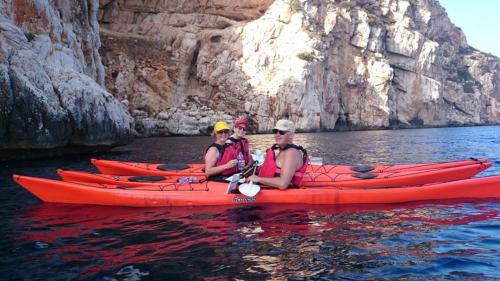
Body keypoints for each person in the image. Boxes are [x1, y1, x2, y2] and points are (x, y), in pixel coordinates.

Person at [246, 119, 309, 189]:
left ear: (291, 135)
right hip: (265, 187)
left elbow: (283, 184)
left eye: (282, 132)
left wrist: (258, 179)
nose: (277, 135)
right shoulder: (280, 150)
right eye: (275, 132)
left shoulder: (291, 153)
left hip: (282, 196)